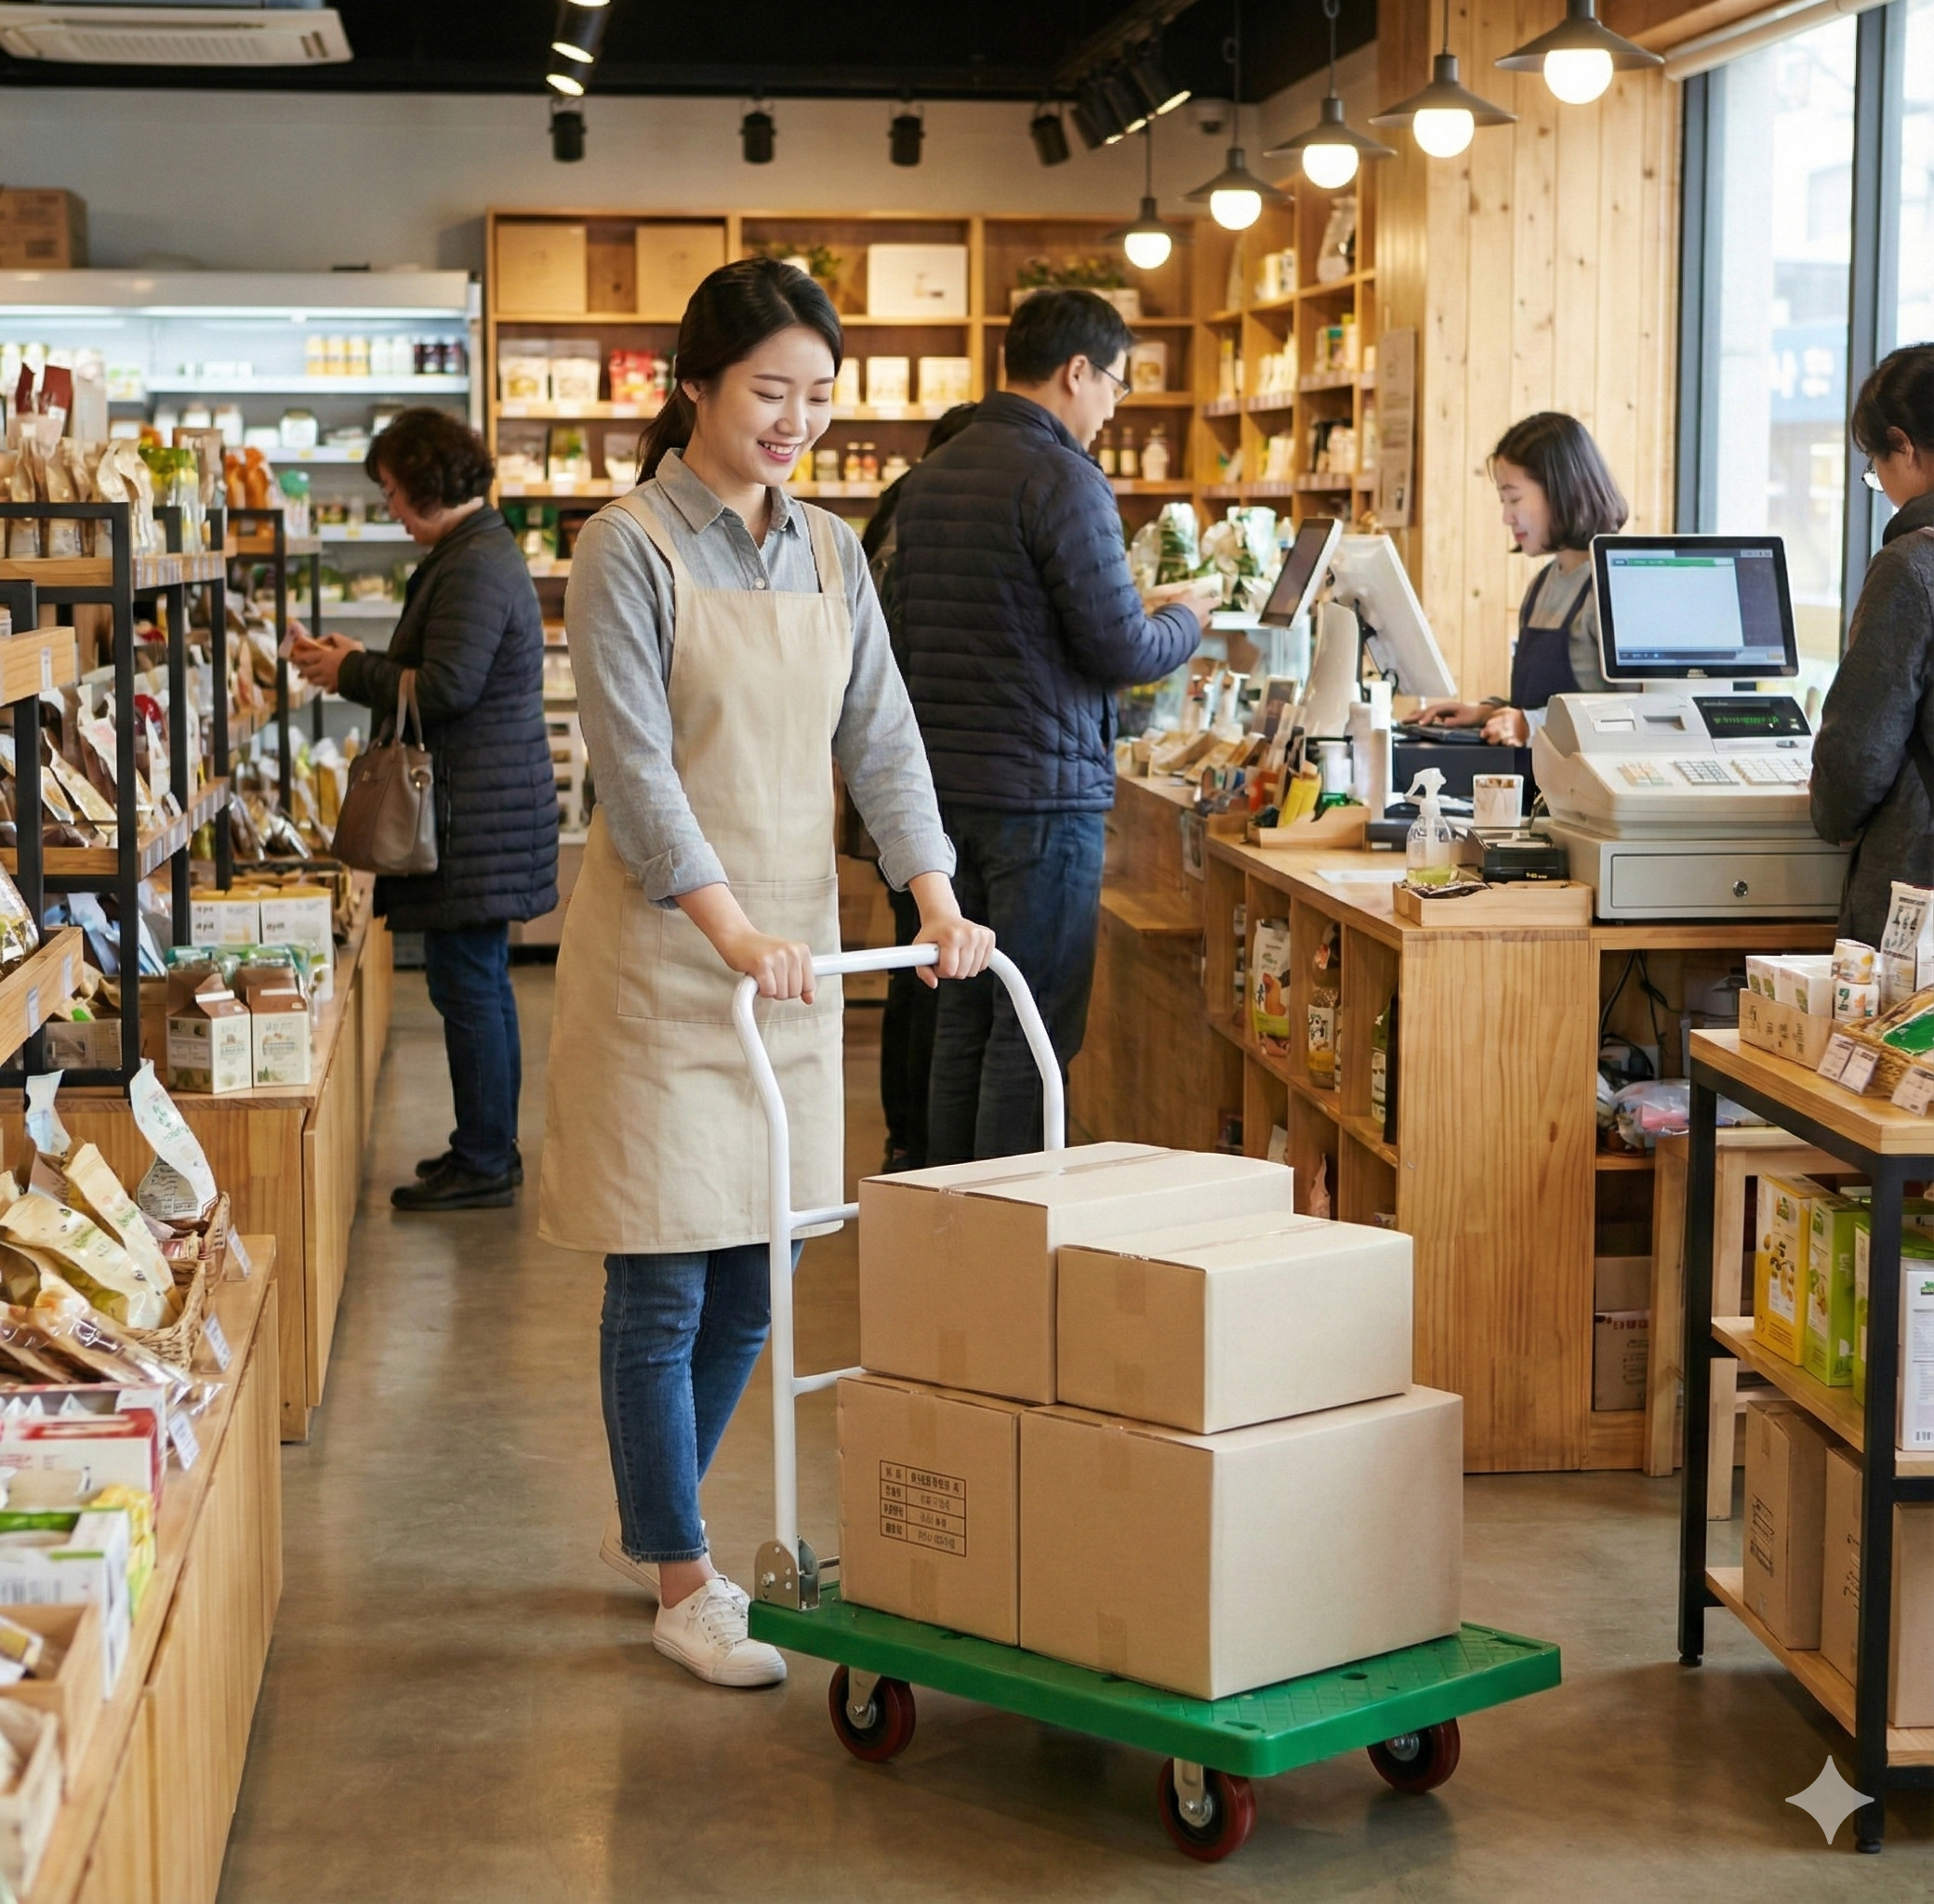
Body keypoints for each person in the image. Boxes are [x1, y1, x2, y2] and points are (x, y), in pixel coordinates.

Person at [538, 258, 992, 1689]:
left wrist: (935, 893)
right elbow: (636, 766)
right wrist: (725, 925)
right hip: (673, 956)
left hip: (792, 956)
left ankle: (655, 1517)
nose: (796, 420)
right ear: (696, 389)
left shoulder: (832, 550)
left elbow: (882, 736)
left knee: (767, 1268)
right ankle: (682, 1569)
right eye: (769, 392)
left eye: (816, 395)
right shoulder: (627, 545)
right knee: (664, 1270)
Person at [892, 289, 1216, 1166]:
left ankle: (949, 1214)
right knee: (1031, 1030)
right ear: (1078, 371)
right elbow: (1121, 646)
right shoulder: (1064, 477)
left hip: (944, 797)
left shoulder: (934, 474)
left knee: (962, 1013)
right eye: (1115, 384)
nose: (1114, 408)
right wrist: (1192, 616)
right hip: (1041, 796)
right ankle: (1011, 1235)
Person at [290, 408, 556, 1212]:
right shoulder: (470, 553)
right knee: (474, 984)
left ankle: (486, 1159)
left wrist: (351, 671)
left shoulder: (474, 564)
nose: (393, 512)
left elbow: (445, 689)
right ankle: (483, 1146)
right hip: (478, 811)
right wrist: (356, 662)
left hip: (473, 816)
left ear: (432, 483)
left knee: (468, 985)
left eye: (395, 495)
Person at [859, 401, 977, 1172]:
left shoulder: (892, 510)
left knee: (916, 966)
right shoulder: (935, 517)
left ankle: (905, 1134)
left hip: (909, 776)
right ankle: (925, 1147)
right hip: (932, 770)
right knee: (933, 974)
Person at [1810, 344, 1934, 946]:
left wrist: (1830, 814)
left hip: (1918, 885)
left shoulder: (1911, 564)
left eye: (1875, 464)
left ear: (1903, 444)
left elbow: (1860, 746)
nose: (1880, 482)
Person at [1415, 411, 1627, 742]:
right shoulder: (1543, 584)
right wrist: (1488, 712)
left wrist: (1530, 725)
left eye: (1514, 498)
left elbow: (1636, 717)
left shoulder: (1613, 586)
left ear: (1561, 490)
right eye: (1503, 501)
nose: (1506, 516)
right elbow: (1538, 702)